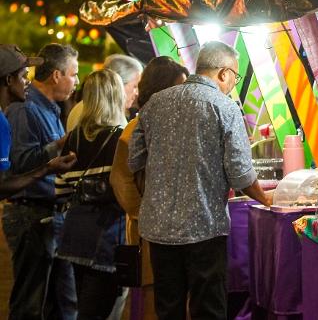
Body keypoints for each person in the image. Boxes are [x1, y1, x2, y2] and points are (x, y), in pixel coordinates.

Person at [129, 41, 271, 320]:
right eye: (235, 76)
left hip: (158, 230)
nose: (233, 84)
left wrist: (153, 196)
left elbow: (135, 161)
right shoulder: (225, 107)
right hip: (204, 227)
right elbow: (241, 173)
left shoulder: (155, 103)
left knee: (168, 308)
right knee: (207, 308)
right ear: (223, 73)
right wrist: (266, 199)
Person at [3, 43, 79, 320]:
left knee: (62, 303)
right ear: (57, 75)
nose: (76, 81)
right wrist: (59, 146)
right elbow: (19, 163)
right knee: (30, 303)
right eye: (73, 74)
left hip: (49, 214)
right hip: (30, 213)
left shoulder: (51, 109)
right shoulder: (24, 108)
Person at [110, 56, 189, 320]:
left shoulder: (176, 126)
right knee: (155, 300)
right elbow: (121, 179)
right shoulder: (136, 128)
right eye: (178, 88)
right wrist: (143, 213)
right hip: (150, 232)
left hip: (174, 229)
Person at [54, 69, 127, 320]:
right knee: (98, 310)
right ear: (115, 97)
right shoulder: (120, 139)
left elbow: (60, 189)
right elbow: (127, 192)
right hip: (106, 237)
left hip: (74, 233)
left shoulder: (73, 137)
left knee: (83, 306)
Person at [0, 44, 76, 201]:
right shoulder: (20, 111)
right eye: (23, 76)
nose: (28, 81)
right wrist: (49, 165)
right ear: (9, 80)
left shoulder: (51, 108)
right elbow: (7, 179)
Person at [67, 53, 143, 131]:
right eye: (135, 86)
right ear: (118, 84)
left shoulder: (88, 108)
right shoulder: (100, 116)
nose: (137, 92)